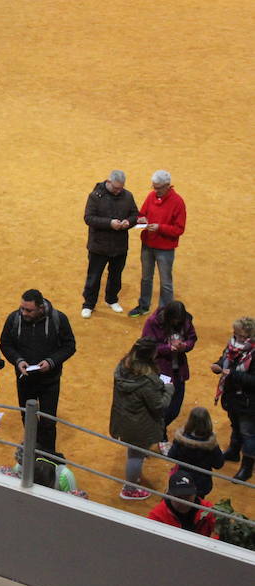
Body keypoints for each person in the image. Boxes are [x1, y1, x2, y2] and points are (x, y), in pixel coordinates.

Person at [0, 289, 76, 453]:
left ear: (41, 308)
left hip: (50, 381)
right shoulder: (14, 319)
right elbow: (5, 344)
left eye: (28, 310)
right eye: (22, 308)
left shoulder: (58, 319)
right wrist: (18, 360)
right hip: (24, 380)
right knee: (28, 418)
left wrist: (52, 361)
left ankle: (47, 457)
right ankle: (31, 451)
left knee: (48, 422)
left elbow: (69, 346)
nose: (23, 313)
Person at [109, 337, 173, 501]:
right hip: (139, 424)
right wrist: (169, 389)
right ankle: (129, 489)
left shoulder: (122, 367)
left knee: (134, 453)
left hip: (124, 418)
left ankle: (132, 481)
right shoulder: (146, 381)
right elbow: (158, 405)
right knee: (135, 456)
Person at [129, 170, 187, 318]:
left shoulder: (178, 202)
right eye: (153, 187)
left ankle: (165, 313)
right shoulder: (151, 196)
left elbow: (179, 229)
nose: (156, 190)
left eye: (159, 188)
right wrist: (141, 219)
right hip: (148, 244)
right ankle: (143, 306)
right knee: (146, 278)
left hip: (165, 249)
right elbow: (142, 214)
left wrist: (160, 227)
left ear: (168, 185)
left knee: (166, 283)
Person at [81, 169, 138, 318]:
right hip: (98, 246)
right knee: (94, 277)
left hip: (119, 246)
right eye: (116, 188)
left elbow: (134, 215)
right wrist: (109, 223)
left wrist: (129, 222)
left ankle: (112, 299)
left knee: (116, 276)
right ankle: (88, 304)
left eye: (121, 188)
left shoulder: (128, 196)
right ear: (108, 182)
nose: (118, 191)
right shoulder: (95, 196)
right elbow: (88, 218)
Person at [142, 300, 197, 453]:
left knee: (174, 409)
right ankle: (161, 436)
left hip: (178, 370)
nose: (177, 322)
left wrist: (184, 346)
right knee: (160, 407)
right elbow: (147, 345)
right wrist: (168, 348)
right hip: (160, 371)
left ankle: (154, 432)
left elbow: (192, 338)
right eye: (175, 320)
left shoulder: (185, 320)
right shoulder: (153, 322)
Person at [212, 316, 255, 481]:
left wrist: (233, 374)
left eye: (241, 336)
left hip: (249, 401)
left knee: (248, 433)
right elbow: (225, 361)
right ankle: (233, 451)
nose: (237, 338)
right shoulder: (233, 345)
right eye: (235, 334)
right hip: (232, 396)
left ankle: (247, 467)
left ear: (250, 335)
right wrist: (217, 366)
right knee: (235, 425)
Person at [167, 407, 224, 497]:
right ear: (208, 422)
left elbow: (171, 455)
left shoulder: (180, 440)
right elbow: (219, 464)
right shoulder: (211, 445)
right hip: (201, 484)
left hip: (182, 480)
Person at [147, 470, 216, 538]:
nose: (184, 502)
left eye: (188, 496)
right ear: (169, 495)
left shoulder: (207, 510)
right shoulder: (157, 515)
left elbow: (222, 532)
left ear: (195, 493)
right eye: (179, 497)